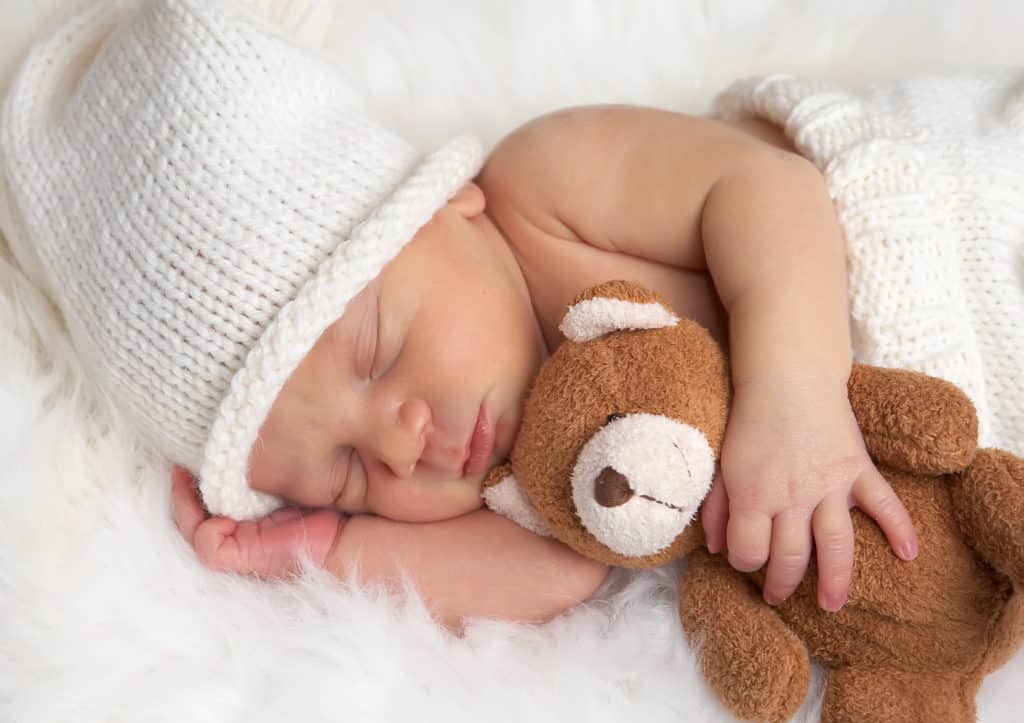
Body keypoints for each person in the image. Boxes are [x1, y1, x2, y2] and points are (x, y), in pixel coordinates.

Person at [8, 0, 1021, 632]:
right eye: (352, 472)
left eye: (377, 350)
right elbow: (554, 580)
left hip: (959, 219)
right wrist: (319, 551)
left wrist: (792, 390)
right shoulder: (518, 482)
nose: (402, 442)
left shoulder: (543, 188)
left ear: (444, 205)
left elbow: (768, 192)